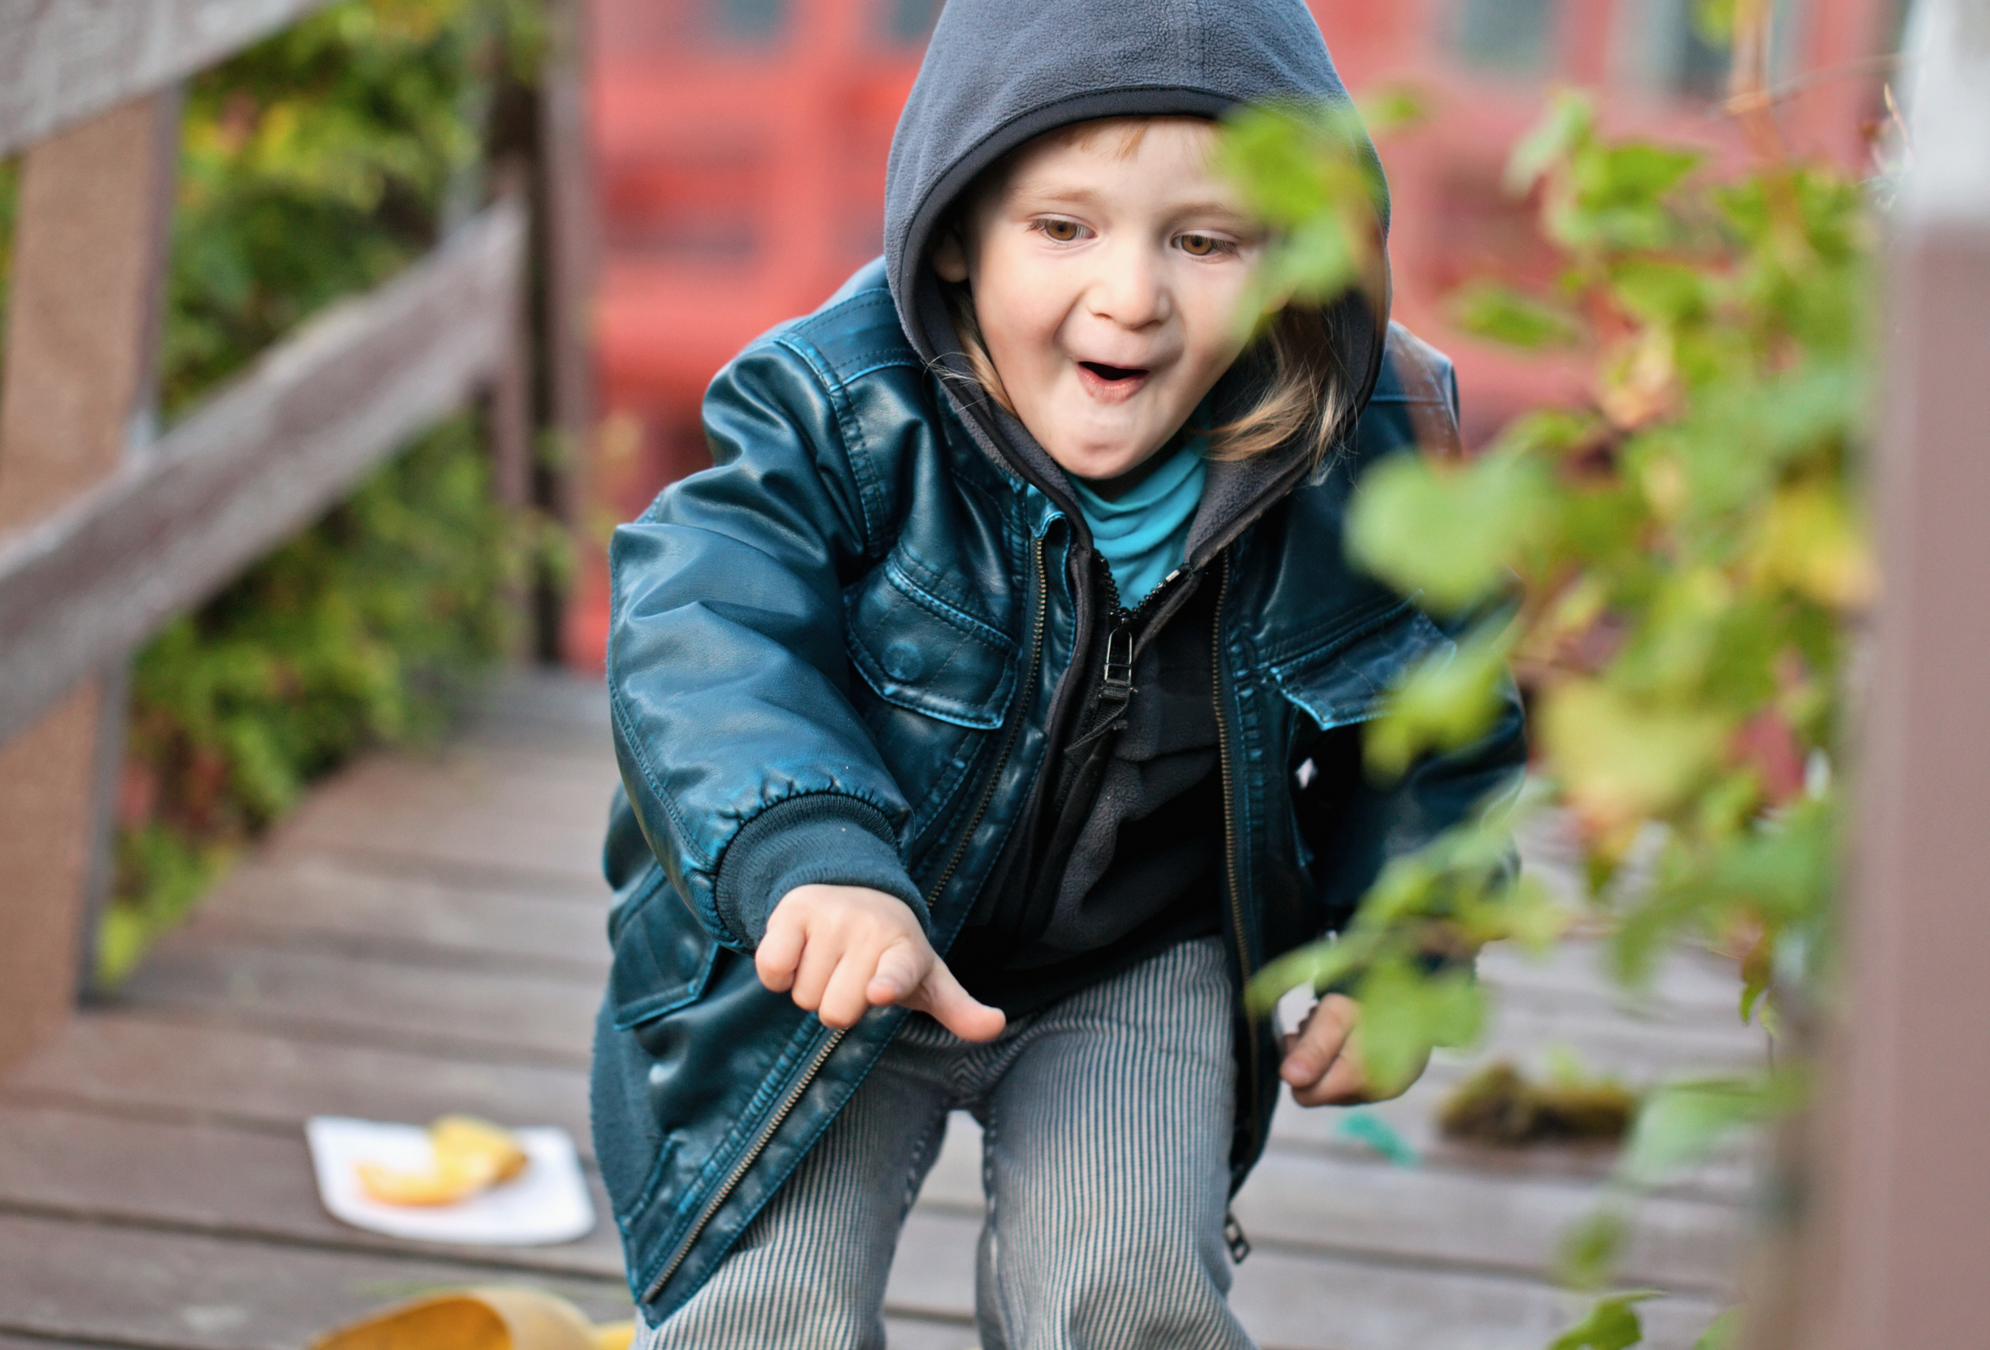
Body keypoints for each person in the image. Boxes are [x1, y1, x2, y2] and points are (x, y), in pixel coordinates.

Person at [590, 0, 1527, 1344]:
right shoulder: (839, 410)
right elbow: (704, 625)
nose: (1131, 294)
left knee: (1128, 1287)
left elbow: (1442, 719)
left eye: (1205, 241)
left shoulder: (1354, 451)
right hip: (849, 934)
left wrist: (1410, 945)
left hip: (1134, 952)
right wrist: (807, 851)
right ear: (960, 231)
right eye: (1064, 226)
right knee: (767, 1295)